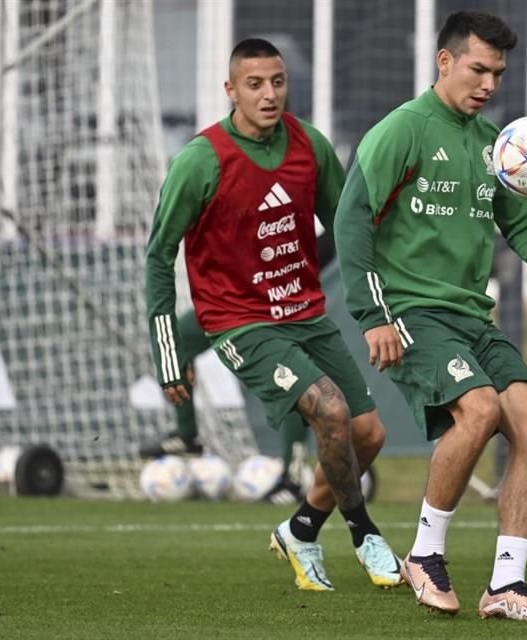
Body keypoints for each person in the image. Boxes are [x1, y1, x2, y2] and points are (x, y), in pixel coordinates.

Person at [334, 11, 527, 621]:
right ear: (445, 61)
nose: (488, 83)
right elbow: (353, 221)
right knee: (478, 409)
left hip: (471, 318)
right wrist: (373, 315)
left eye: (498, 73)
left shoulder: (494, 147)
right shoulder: (401, 130)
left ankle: (507, 585)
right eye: (478, 68)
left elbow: (524, 226)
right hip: (411, 311)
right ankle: (424, 556)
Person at [145, 37, 403, 591]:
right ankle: (364, 533)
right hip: (239, 322)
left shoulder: (309, 145)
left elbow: (348, 226)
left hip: (306, 314)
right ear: (231, 89)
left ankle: (302, 530)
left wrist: (386, 298)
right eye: (255, 84)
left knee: (369, 434)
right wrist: (169, 355)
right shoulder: (200, 160)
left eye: (277, 81)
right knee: (330, 412)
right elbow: (158, 255)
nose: (269, 94)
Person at [138, 308, 310, 506]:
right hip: (229, 295)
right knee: (180, 338)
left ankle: (293, 479)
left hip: (271, 297)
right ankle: (187, 435)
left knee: (287, 374)